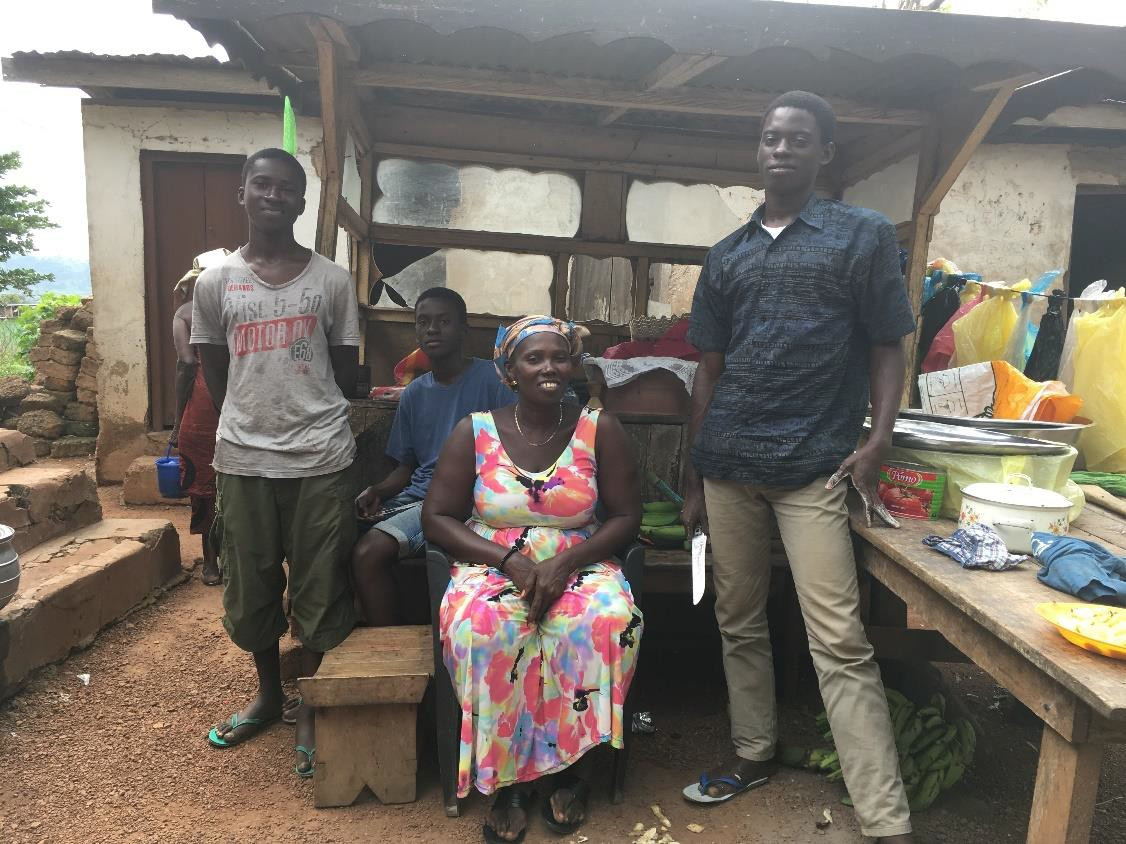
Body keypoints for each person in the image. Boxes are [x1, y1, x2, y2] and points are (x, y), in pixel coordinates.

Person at [679, 91, 915, 843]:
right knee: (737, 619)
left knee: (839, 639)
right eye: (770, 138)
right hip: (729, 466)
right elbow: (708, 372)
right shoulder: (728, 255)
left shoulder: (863, 236)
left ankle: (884, 816)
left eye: (797, 139)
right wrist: (693, 476)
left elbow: (887, 344)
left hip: (815, 466)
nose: (780, 149)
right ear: (759, 150)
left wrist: (878, 437)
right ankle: (753, 752)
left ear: (825, 154)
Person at [423, 316, 643, 843]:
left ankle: (574, 772)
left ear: (573, 366)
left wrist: (565, 564)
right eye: (534, 358)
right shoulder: (473, 430)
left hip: (580, 558)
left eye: (559, 357)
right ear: (510, 371)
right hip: (492, 562)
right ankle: (510, 781)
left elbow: (625, 517)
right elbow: (438, 517)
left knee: (605, 620)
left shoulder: (598, 427)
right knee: (487, 626)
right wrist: (508, 561)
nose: (549, 368)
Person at [193, 147, 360, 780]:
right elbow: (218, 373)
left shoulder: (331, 281)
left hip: (320, 456)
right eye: (261, 184)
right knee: (251, 580)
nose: (273, 195)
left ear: (300, 201)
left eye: (286, 188)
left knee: (320, 581)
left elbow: (344, 371)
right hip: (245, 457)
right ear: (242, 193)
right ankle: (268, 694)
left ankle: (312, 704)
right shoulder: (216, 282)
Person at [351, 286, 515, 626]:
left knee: (370, 552)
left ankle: (390, 655)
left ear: (464, 329)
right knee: (340, 539)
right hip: (419, 498)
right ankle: (385, 643)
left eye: (444, 321)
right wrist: (379, 491)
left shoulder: (494, 381)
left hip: (472, 501)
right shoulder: (415, 393)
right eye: (423, 322)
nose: (432, 330)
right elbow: (407, 467)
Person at [170, 250, 227, 586]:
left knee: (204, 488)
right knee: (237, 484)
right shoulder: (236, 308)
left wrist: (177, 423)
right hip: (237, 401)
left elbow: (186, 364)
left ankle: (211, 563)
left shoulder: (184, 313)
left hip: (203, 407)